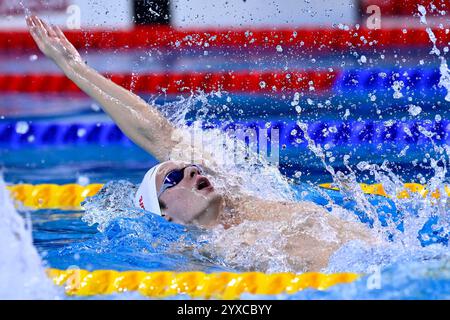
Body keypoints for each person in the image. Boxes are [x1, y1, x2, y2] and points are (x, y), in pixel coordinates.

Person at [26, 15, 379, 270]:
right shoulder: (208, 253)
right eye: (172, 178)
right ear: (164, 216)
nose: (189, 169)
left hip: (384, 255)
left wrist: (75, 67)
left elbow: (158, 132)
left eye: (185, 168)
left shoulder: (240, 192)